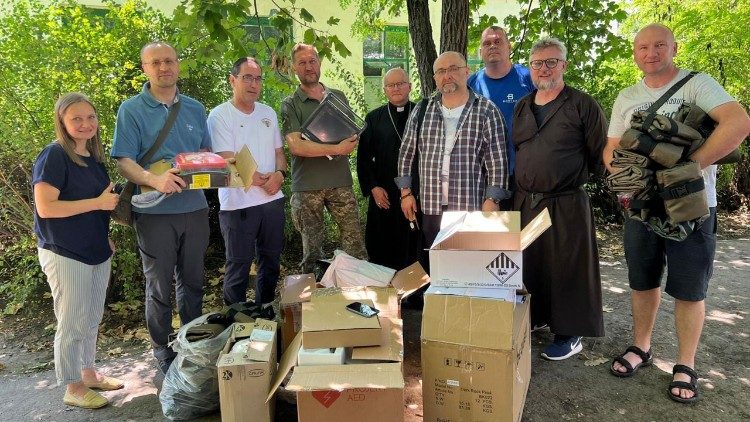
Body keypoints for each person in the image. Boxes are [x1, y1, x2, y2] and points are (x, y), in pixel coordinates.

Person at [605, 24, 750, 403]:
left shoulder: (698, 85)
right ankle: (641, 346)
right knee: (642, 280)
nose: (650, 53)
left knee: (689, 287)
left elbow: (738, 123)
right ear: (635, 53)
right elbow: (611, 149)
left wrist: (686, 169)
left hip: (694, 208)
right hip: (643, 207)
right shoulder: (627, 96)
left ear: (673, 48)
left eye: (658, 46)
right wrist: (627, 180)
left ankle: (685, 364)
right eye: (642, 47)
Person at [111, 41, 211, 375]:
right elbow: (124, 160)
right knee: (159, 287)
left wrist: (221, 170)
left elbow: (205, 155)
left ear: (178, 64)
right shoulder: (131, 109)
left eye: (169, 60)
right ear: (145, 68)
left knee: (194, 282)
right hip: (153, 214)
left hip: (194, 209)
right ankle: (163, 350)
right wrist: (154, 181)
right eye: (155, 62)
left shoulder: (196, 108)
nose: (163, 67)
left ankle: (192, 343)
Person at [512, 37, 607, 360]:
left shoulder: (582, 104)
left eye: (551, 62)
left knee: (568, 266)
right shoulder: (524, 105)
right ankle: (539, 317)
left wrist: (566, 179)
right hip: (528, 201)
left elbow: (599, 155)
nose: (544, 68)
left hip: (565, 202)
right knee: (532, 263)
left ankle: (570, 332)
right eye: (537, 63)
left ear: (564, 65)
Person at [33, 93, 124, 409]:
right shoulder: (54, 155)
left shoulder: (93, 158)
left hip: (97, 249)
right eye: (76, 118)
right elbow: (46, 208)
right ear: (62, 122)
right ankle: (72, 386)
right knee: (71, 321)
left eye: (91, 117)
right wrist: (98, 204)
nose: (86, 124)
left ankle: (88, 374)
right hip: (65, 252)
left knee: (91, 317)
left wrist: (105, 235)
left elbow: (101, 205)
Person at [396, 51, 509, 265]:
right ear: (435, 78)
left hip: (468, 207)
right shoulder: (422, 110)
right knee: (433, 265)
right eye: (441, 71)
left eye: (453, 69)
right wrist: (405, 193)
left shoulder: (487, 111)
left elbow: (497, 161)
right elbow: (406, 153)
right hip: (430, 206)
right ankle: (435, 300)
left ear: (467, 72)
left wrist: (492, 200)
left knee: (466, 266)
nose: (447, 75)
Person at [208, 57, 286, 319]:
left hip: (272, 200)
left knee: (271, 262)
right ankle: (235, 320)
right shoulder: (220, 115)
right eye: (247, 78)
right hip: (238, 203)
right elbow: (226, 159)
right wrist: (260, 179)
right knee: (238, 266)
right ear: (232, 80)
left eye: (258, 78)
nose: (254, 84)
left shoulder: (268, 113)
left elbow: (279, 152)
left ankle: (265, 313)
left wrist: (280, 174)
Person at [281, 43, 367, 275]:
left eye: (312, 61)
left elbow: (350, 133)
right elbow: (296, 146)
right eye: (302, 63)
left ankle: (358, 297)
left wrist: (349, 143)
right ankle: (315, 306)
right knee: (312, 255)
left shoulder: (337, 97)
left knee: (355, 246)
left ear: (319, 63)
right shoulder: (290, 103)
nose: (309, 67)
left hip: (341, 182)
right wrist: (337, 149)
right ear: (294, 68)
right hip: (307, 188)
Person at [357, 67, 422, 270]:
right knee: (382, 245)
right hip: (383, 192)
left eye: (400, 83)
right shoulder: (373, 118)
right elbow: (364, 158)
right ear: (384, 90)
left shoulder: (422, 115)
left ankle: (414, 293)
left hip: (415, 191)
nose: (396, 88)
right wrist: (373, 188)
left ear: (409, 87)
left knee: (413, 243)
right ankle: (383, 291)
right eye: (390, 85)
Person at [468, 26, 534, 185]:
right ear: (480, 51)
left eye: (498, 41)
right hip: (483, 172)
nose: (492, 46)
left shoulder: (527, 78)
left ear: (509, 47)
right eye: (487, 43)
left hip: (523, 171)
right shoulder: (471, 84)